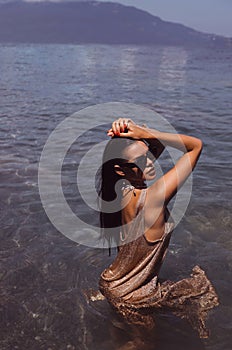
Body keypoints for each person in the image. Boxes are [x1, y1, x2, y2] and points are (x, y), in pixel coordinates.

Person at [97, 118, 219, 338]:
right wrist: (146, 132)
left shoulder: (118, 190)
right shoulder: (153, 199)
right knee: (144, 344)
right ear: (121, 169)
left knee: (121, 334)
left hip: (114, 282)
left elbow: (155, 147)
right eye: (142, 160)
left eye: (149, 155)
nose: (151, 162)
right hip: (132, 296)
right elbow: (195, 146)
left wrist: (134, 129)